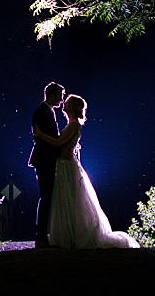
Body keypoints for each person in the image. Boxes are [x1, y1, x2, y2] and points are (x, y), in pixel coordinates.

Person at [33, 93, 140, 249]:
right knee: (66, 200)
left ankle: (73, 235)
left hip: (67, 166)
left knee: (70, 199)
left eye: (68, 103)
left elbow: (58, 142)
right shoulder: (71, 124)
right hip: (64, 165)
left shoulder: (74, 124)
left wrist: (41, 135)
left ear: (74, 107)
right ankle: (69, 234)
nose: (64, 104)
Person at [27, 81, 65, 248]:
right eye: (60, 97)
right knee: (46, 196)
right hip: (44, 159)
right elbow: (43, 138)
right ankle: (41, 236)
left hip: (46, 158)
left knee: (47, 196)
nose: (62, 101)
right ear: (52, 95)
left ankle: (43, 234)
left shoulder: (47, 111)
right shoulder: (42, 112)